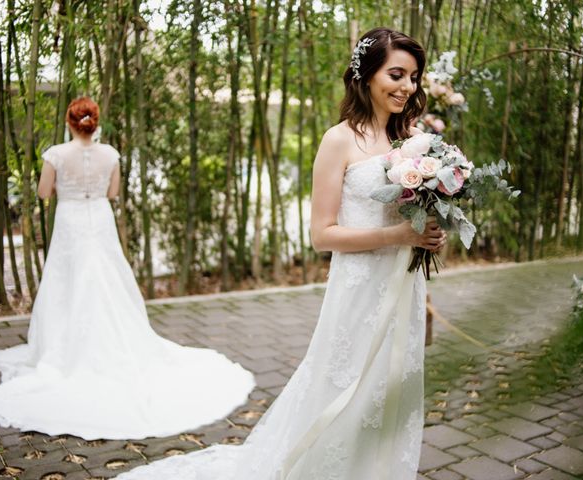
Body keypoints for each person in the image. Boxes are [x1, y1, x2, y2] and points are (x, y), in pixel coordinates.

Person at [114, 27, 445, 480]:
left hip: (404, 284)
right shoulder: (339, 140)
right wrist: (401, 237)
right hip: (359, 287)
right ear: (367, 75)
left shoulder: (413, 141)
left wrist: (428, 232)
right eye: (397, 74)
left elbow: (410, 216)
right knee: (342, 387)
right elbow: (322, 235)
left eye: (414, 78)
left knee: (395, 386)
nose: (407, 87)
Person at [0, 97, 255, 440]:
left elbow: (44, 192)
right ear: (94, 122)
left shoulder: (56, 154)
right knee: (107, 277)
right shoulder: (111, 154)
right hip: (99, 221)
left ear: (69, 122)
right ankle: (113, 338)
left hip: (71, 218)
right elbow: (113, 192)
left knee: (68, 281)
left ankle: (63, 348)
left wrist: (67, 186)